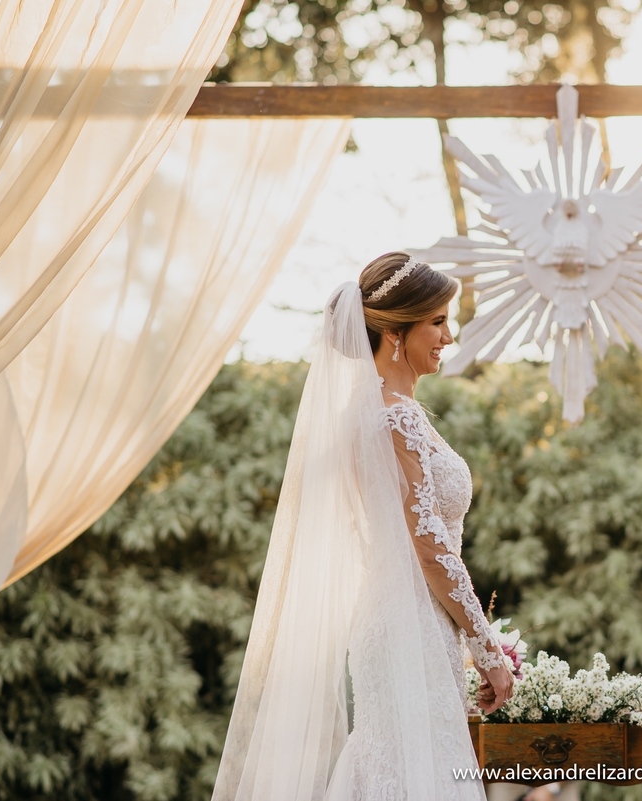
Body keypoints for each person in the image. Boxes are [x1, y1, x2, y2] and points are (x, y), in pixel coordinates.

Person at [212, 253, 515, 801]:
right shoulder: (393, 417)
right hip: (410, 621)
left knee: (395, 767)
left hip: (403, 617)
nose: (448, 334)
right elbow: (430, 547)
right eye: (438, 321)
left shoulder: (377, 410)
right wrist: (487, 648)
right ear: (396, 333)